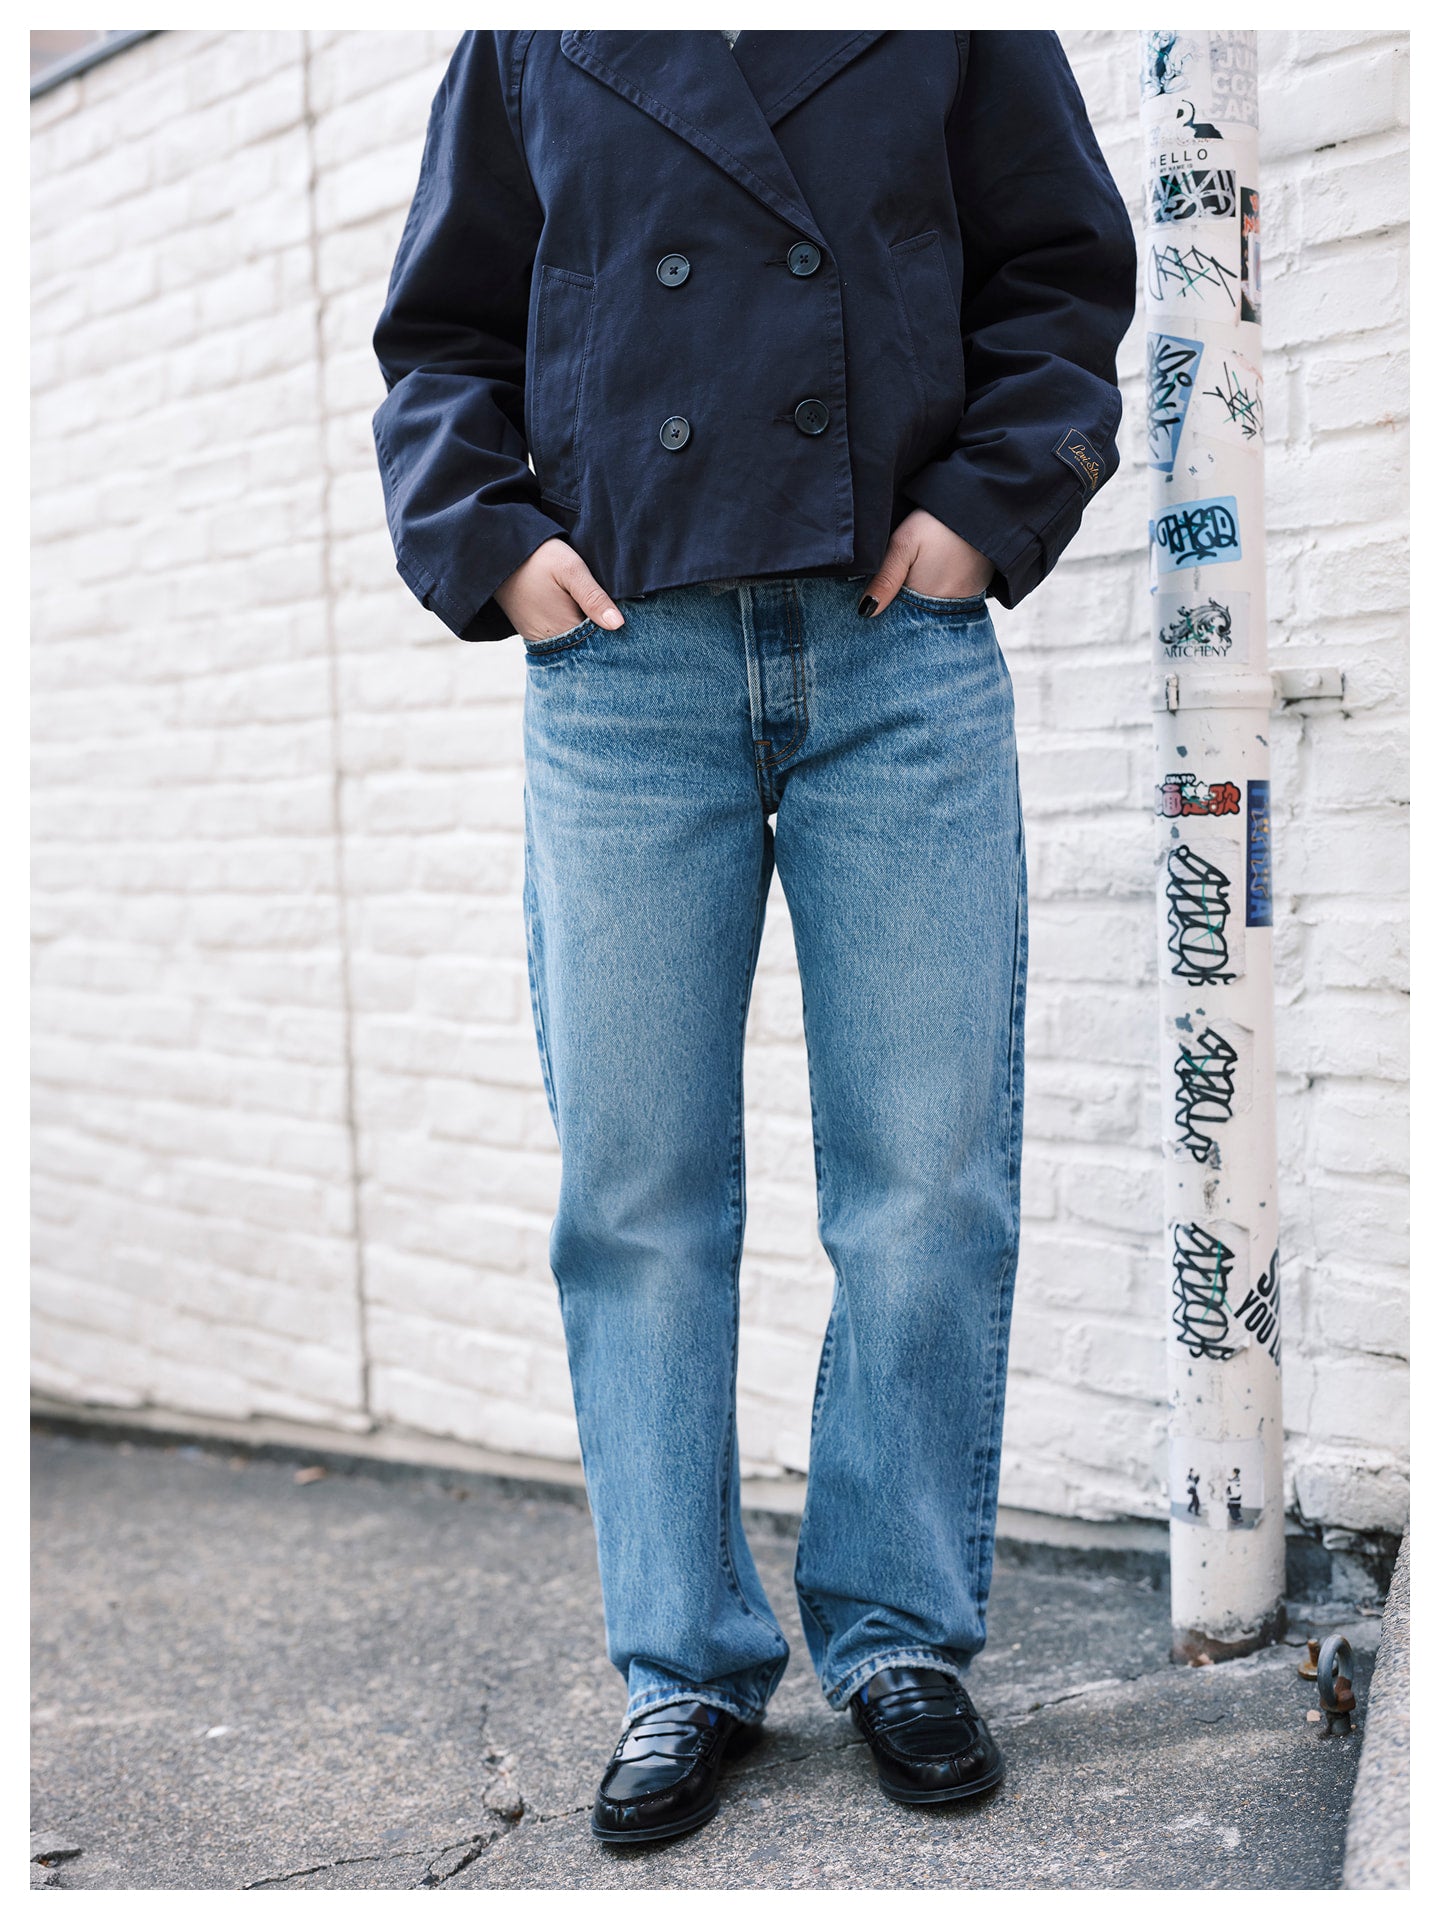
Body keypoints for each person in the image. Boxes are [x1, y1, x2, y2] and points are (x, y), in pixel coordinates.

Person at [373, 28, 1135, 1845]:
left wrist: (987, 508)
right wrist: (489, 540)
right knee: (636, 1189)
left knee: (927, 1175)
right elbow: (441, 335)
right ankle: (684, 1665)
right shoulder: (527, 38)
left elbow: (1060, 269)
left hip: (897, 652)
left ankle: (900, 1634)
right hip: (624, 669)